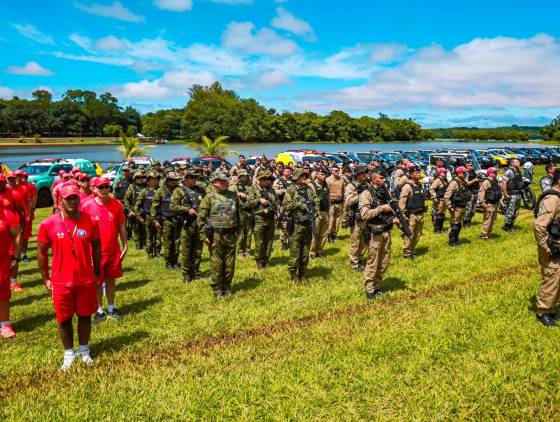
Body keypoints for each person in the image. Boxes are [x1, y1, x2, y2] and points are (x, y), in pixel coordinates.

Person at [37, 183, 101, 370]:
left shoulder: (90, 221)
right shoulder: (48, 224)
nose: (73, 201)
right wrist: (46, 279)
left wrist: (96, 271)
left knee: (84, 316)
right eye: (69, 198)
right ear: (60, 201)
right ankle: (68, 353)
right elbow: (41, 252)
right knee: (64, 319)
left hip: (85, 279)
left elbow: (96, 246)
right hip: (60, 281)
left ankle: (84, 350)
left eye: (76, 197)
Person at [80, 177, 127, 323]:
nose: (105, 190)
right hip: (95, 252)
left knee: (111, 280)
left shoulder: (116, 204)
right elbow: (82, 229)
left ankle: (112, 308)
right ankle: (99, 310)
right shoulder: (87, 206)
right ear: (94, 189)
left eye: (107, 187)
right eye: (101, 187)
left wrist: (125, 245)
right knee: (97, 282)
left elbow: (121, 225)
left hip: (113, 250)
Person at [197, 172, 240, 298]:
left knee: (230, 263)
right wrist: (202, 235)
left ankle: (227, 287)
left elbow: (238, 214)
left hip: (231, 233)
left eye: (225, 181)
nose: (224, 183)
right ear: (214, 182)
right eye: (221, 181)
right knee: (217, 263)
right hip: (216, 235)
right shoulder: (209, 197)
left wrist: (239, 230)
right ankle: (217, 290)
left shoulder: (233, 195)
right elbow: (201, 217)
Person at [359, 169, 395, 300]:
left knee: (384, 261)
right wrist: (381, 209)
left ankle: (378, 286)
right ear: (373, 179)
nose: (384, 179)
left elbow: (390, 210)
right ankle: (370, 290)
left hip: (386, 230)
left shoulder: (384, 193)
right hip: (375, 232)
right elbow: (364, 215)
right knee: (373, 261)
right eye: (381, 177)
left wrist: (395, 218)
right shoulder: (366, 194)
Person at [282, 168, 319, 282]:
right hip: (296, 225)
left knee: (305, 251)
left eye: (305, 176)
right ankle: (293, 274)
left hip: (308, 224)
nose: (304, 178)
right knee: (295, 250)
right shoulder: (291, 190)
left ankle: (302, 273)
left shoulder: (309, 189)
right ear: (297, 177)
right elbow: (286, 206)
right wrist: (300, 205)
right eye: (302, 176)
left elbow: (316, 200)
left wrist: (316, 210)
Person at [534, 170, 560, 326]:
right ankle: (543, 312)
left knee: (557, 279)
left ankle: (551, 309)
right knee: (551, 278)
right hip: (552, 246)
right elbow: (539, 226)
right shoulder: (552, 199)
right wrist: (545, 247)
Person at [170, 170, 206, 283]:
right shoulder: (179, 190)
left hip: (199, 224)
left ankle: (195, 271)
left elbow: (207, 204)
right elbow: (172, 206)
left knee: (198, 250)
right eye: (190, 177)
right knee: (186, 250)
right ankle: (186, 274)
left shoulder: (201, 190)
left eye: (195, 177)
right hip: (186, 224)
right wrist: (187, 209)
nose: (194, 179)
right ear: (185, 179)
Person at [247, 170, 278, 269]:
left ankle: (266, 260)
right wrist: (259, 200)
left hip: (270, 218)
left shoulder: (271, 190)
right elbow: (249, 203)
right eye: (265, 179)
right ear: (260, 180)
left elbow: (276, 202)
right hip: (259, 218)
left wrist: (277, 211)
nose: (267, 181)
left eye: (269, 179)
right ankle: (259, 261)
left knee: (269, 241)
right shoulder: (253, 189)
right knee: (259, 241)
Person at [151, 172, 181, 269]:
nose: (174, 182)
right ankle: (168, 262)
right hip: (166, 220)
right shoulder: (161, 191)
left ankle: (175, 261)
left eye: (176, 180)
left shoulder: (180, 190)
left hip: (178, 220)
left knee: (177, 242)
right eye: (171, 180)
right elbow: (154, 206)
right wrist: (155, 220)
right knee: (168, 242)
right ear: (167, 180)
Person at [0, 198, 21, 339]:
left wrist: (15, 257)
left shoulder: (7, 213)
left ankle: (5, 324)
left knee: (2, 292)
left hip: (2, 260)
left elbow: (16, 236)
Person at [344, 166, 368, 271]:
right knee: (355, 241)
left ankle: (360, 259)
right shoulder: (351, 186)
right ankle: (354, 263)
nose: (364, 175)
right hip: (356, 217)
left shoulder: (367, 185)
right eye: (362, 173)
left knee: (365, 240)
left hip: (366, 216)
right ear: (357, 175)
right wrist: (360, 195)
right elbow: (348, 202)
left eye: (365, 173)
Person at [398, 165, 426, 259]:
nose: (419, 174)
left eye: (419, 172)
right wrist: (402, 215)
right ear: (411, 174)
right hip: (411, 215)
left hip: (420, 214)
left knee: (417, 235)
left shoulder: (419, 185)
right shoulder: (407, 186)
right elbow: (402, 201)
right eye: (416, 172)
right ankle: (407, 253)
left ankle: (412, 250)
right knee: (409, 234)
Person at [135, 172, 161, 259]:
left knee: (158, 235)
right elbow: (137, 205)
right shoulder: (144, 191)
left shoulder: (161, 190)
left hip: (159, 216)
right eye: (152, 180)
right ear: (148, 182)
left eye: (155, 180)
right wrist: (139, 217)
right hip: (148, 216)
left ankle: (157, 252)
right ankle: (149, 253)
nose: (154, 182)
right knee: (149, 235)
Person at [443, 166, 472, 246]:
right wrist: (450, 207)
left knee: (459, 225)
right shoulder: (454, 183)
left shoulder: (462, 182)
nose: (466, 174)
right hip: (456, 208)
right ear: (459, 174)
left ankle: (456, 239)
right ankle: (452, 241)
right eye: (464, 173)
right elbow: (446, 196)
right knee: (454, 226)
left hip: (462, 207)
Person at [230, 169, 252, 257]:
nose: (244, 177)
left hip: (248, 210)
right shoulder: (233, 187)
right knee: (240, 231)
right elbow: (229, 197)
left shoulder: (249, 186)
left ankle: (247, 250)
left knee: (249, 231)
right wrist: (238, 194)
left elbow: (254, 195)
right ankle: (239, 251)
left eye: (245, 175)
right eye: (242, 175)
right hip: (238, 211)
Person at [309, 168, 330, 259]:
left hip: (325, 211)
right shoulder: (311, 185)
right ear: (316, 175)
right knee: (315, 233)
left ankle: (319, 251)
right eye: (321, 174)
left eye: (325, 174)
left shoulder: (326, 185)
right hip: (316, 213)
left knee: (324, 233)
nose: (324, 176)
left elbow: (328, 196)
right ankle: (312, 253)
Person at [124, 172, 147, 249]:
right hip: (134, 211)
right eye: (138, 178)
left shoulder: (146, 187)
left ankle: (144, 244)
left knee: (144, 228)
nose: (140, 179)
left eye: (141, 177)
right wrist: (130, 210)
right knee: (136, 228)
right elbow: (126, 199)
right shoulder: (132, 187)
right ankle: (138, 245)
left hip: (145, 210)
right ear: (135, 179)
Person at [478, 167, 501, 240]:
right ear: (490, 173)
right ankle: (484, 235)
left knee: (493, 221)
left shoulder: (495, 181)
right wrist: (482, 203)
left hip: (495, 203)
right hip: (489, 204)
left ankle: (488, 234)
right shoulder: (486, 182)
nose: (496, 173)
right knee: (488, 220)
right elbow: (481, 192)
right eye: (494, 172)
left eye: (496, 172)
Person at [273, 168, 293, 250]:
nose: (290, 172)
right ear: (284, 172)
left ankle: (291, 240)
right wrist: (283, 191)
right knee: (284, 225)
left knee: (292, 223)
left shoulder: (293, 180)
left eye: (290, 171)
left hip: (292, 205)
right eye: (288, 171)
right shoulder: (279, 181)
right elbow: (274, 191)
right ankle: (284, 241)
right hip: (283, 206)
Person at [501, 158, 523, 232]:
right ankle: (507, 226)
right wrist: (505, 194)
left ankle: (511, 225)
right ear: (512, 163)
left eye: (519, 161)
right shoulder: (509, 171)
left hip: (518, 194)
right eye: (517, 161)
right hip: (512, 194)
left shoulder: (518, 171)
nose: (519, 162)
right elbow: (504, 182)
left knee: (516, 211)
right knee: (510, 210)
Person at [326, 166, 345, 243]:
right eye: (336, 170)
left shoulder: (341, 180)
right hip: (331, 204)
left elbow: (343, 191)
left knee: (337, 221)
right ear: (332, 171)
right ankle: (329, 236)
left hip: (339, 203)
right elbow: (326, 193)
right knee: (331, 221)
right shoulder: (328, 180)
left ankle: (334, 235)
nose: (338, 172)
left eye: (338, 170)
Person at [429, 168, 449, 233]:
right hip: (439, 200)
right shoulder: (437, 180)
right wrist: (434, 198)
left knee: (442, 215)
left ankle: (441, 228)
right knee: (438, 214)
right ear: (440, 173)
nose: (446, 173)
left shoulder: (445, 180)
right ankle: (437, 230)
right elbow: (431, 189)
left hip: (444, 200)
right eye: (444, 172)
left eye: (446, 172)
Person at [463, 161, 481, 228]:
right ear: (466, 166)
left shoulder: (474, 172)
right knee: (468, 209)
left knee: (473, 210)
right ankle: (465, 223)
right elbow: (466, 183)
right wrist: (474, 180)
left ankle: (469, 221)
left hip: (475, 192)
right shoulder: (466, 173)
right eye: (469, 165)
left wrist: (479, 178)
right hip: (469, 193)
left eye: (472, 165)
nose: (471, 166)